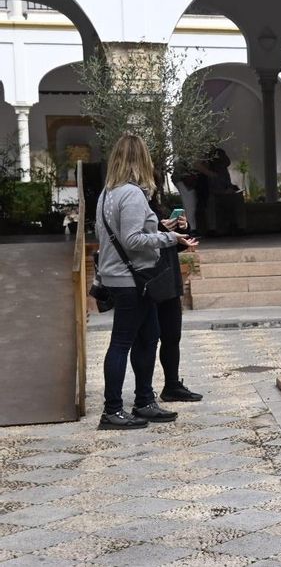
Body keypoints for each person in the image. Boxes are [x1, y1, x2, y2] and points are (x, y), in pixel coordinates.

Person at [95, 134, 197, 429]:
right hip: (130, 279)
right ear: (141, 159)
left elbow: (118, 234)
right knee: (122, 343)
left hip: (126, 277)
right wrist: (169, 237)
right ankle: (112, 410)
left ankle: (144, 400)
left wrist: (158, 228)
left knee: (149, 337)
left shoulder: (107, 193)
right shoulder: (131, 194)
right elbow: (132, 239)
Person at [147, 197, 204, 403]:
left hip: (169, 278)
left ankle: (172, 384)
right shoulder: (132, 200)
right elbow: (133, 240)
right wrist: (161, 231)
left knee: (172, 335)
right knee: (147, 339)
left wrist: (182, 228)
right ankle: (143, 392)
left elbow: (173, 245)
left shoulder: (154, 203)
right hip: (148, 278)